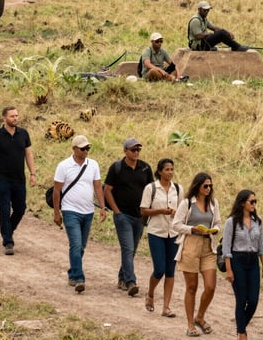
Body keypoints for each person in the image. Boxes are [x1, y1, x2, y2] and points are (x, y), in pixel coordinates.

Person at [53, 134, 107, 292]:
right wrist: (57, 212)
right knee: (76, 244)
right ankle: (78, 278)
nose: (86, 151)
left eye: (87, 148)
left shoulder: (93, 165)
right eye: (83, 148)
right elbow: (57, 191)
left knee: (81, 246)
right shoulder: (64, 166)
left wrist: (102, 207)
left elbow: (98, 187)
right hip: (70, 210)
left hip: (88, 211)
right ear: (74, 149)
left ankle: (72, 272)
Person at [172, 172, 221, 337]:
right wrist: (192, 229)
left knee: (210, 286)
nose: (208, 189)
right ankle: (190, 324)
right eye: (205, 186)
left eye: (210, 186)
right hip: (191, 244)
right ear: (198, 186)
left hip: (208, 245)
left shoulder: (213, 203)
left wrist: (215, 230)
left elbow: (218, 222)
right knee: (191, 287)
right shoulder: (187, 203)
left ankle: (200, 316)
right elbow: (176, 224)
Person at [104, 137, 153, 296]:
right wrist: (116, 211)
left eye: (138, 149)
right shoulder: (117, 168)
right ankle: (131, 281)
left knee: (132, 250)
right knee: (128, 248)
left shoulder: (145, 168)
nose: (136, 152)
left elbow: (151, 190)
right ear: (125, 151)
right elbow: (107, 190)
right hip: (123, 215)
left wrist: (148, 211)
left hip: (139, 216)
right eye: (133, 150)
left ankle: (122, 278)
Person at [0, 106, 37, 255]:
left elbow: (28, 154)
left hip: (19, 179)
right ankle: (8, 241)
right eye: (12, 116)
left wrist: (32, 174)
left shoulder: (23, 134)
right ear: (4, 118)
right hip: (2, 179)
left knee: (20, 208)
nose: (15, 118)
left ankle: (8, 229)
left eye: (16, 116)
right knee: (4, 209)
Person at [223, 189, 263, 340]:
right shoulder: (232, 222)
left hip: (253, 261)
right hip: (238, 261)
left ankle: (240, 328)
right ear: (242, 203)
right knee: (241, 300)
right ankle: (242, 334)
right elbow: (226, 248)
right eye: (251, 201)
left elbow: (261, 245)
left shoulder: (258, 221)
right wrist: (229, 270)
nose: (254, 204)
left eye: (255, 201)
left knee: (253, 301)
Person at [140, 158, 181, 317]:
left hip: (173, 233)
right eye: (167, 169)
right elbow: (143, 210)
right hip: (156, 232)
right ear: (159, 171)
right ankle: (150, 293)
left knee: (170, 271)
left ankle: (166, 307)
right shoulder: (151, 188)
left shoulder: (178, 189)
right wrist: (161, 211)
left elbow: (182, 210)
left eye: (172, 169)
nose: (170, 172)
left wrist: (177, 214)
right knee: (159, 269)